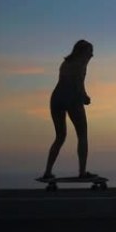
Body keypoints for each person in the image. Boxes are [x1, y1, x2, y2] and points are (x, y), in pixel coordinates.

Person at [42, 40, 97, 179]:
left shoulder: (66, 63)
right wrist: (84, 97)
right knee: (82, 135)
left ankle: (47, 172)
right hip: (71, 98)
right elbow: (77, 83)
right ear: (82, 52)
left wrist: (83, 94)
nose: (92, 55)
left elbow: (74, 82)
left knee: (60, 137)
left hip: (56, 98)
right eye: (90, 52)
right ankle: (82, 172)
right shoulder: (81, 64)